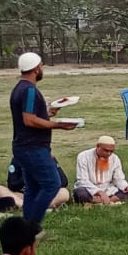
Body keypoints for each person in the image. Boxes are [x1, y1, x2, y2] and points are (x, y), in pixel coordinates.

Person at [10, 52, 80, 225]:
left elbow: (30, 115)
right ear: (35, 68)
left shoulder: (19, 88)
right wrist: (59, 125)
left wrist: (48, 113)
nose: (42, 69)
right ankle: (32, 226)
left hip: (22, 146)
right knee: (52, 184)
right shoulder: (30, 90)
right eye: (41, 65)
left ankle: (26, 227)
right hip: (33, 147)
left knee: (32, 188)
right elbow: (29, 120)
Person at [74, 135, 128, 204]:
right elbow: (82, 180)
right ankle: (108, 201)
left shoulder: (114, 158)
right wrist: (99, 192)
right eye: (106, 150)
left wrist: (126, 187)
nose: (109, 154)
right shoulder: (84, 156)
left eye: (111, 151)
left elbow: (118, 179)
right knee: (80, 192)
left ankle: (97, 202)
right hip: (89, 190)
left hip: (108, 190)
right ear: (98, 146)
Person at [5, 157, 71, 213]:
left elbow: (64, 181)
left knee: (64, 192)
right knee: (9, 194)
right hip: (25, 195)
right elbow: (11, 184)